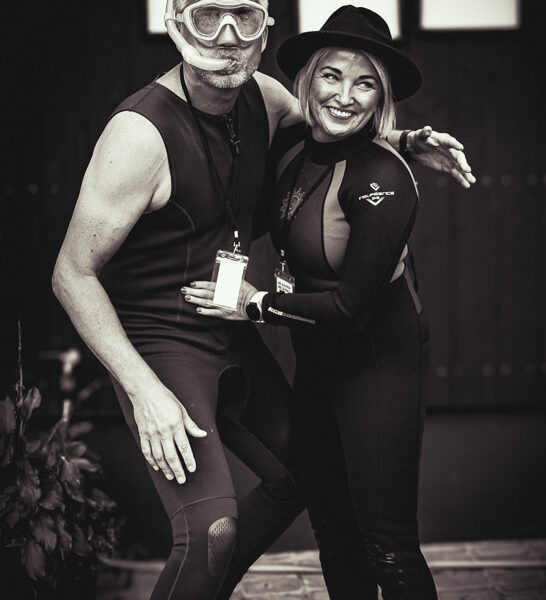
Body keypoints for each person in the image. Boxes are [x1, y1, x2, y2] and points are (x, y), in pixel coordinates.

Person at [52, 1, 473, 598]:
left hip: (234, 324)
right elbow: (71, 273)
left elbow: (336, 125)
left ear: (264, 30)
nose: (226, 36)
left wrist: (403, 141)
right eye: (207, 16)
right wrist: (143, 391)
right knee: (213, 529)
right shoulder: (139, 135)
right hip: (164, 338)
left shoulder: (265, 97)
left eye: (243, 17)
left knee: (313, 482)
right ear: (175, 23)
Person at [183, 5, 447, 599]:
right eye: (332, 75)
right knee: (333, 532)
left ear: (381, 97)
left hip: (379, 366)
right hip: (318, 369)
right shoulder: (294, 148)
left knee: (386, 544)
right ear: (308, 79)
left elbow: (352, 309)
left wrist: (255, 305)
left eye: (365, 84)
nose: (344, 96)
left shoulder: (385, 180)